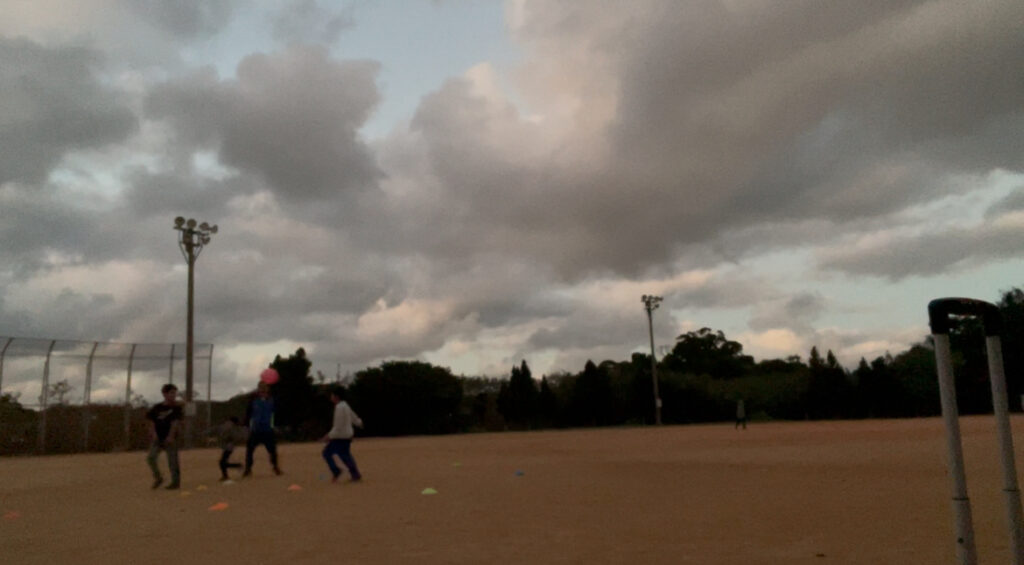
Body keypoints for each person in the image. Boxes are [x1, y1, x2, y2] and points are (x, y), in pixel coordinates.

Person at [320, 386, 363, 483]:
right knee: (345, 455)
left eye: (332, 395)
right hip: (347, 435)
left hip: (340, 436)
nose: (331, 397)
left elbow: (338, 426)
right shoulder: (345, 405)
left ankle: (337, 471)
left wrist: (328, 436)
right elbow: (353, 417)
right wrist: (359, 423)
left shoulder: (339, 407)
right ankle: (355, 474)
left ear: (336, 396)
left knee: (327, 453)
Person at [146, 384, 183, 490]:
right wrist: (153, 433)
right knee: (151, 458)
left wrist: (171, 436)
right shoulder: (157, 408)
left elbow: (175, 423)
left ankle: (175, 482)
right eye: (171, 393)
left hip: (170, 439)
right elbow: (151, 421)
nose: (174, 395)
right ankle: (158, 478)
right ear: (164, 394)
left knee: (173, 461)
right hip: (158, 438)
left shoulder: (176, 408)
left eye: (175, 393)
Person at [243, 381, 281, 477]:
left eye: (265, 387)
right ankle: (248, 469)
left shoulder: (272, 401)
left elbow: (277, 414)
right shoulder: (253, 401)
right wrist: (246, 426)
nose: (263, 389)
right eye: (261, 387)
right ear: (258, 389)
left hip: (268, 429)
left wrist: (276, 426)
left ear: (268, 389)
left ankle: (275, 467)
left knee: (272, 450)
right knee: (250, 450)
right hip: (256, 429)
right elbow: (248, 414)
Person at [210, 416, 246, 481]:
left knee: (222, 462)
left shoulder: (229, 427)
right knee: (223, 462)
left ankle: (229, 472)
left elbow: (231, 436)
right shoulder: (232, 427)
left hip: (228, 447)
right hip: (229, 447)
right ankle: (234, 468)